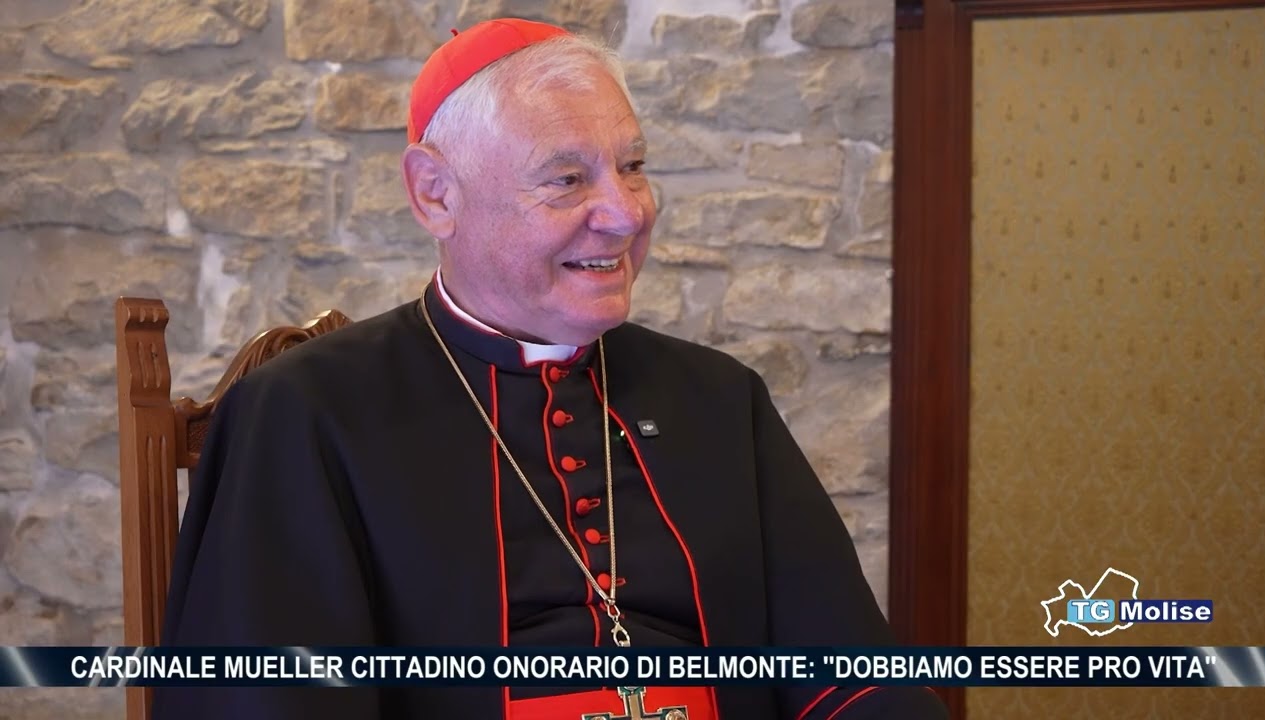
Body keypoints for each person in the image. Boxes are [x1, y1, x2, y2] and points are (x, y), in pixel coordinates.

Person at [153, 18, 950, 720]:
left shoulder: (719, 400)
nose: (626, 213)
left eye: (632, 166)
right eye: (568, 179)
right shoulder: (305, 413)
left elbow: (850, 676)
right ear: (436, 195)